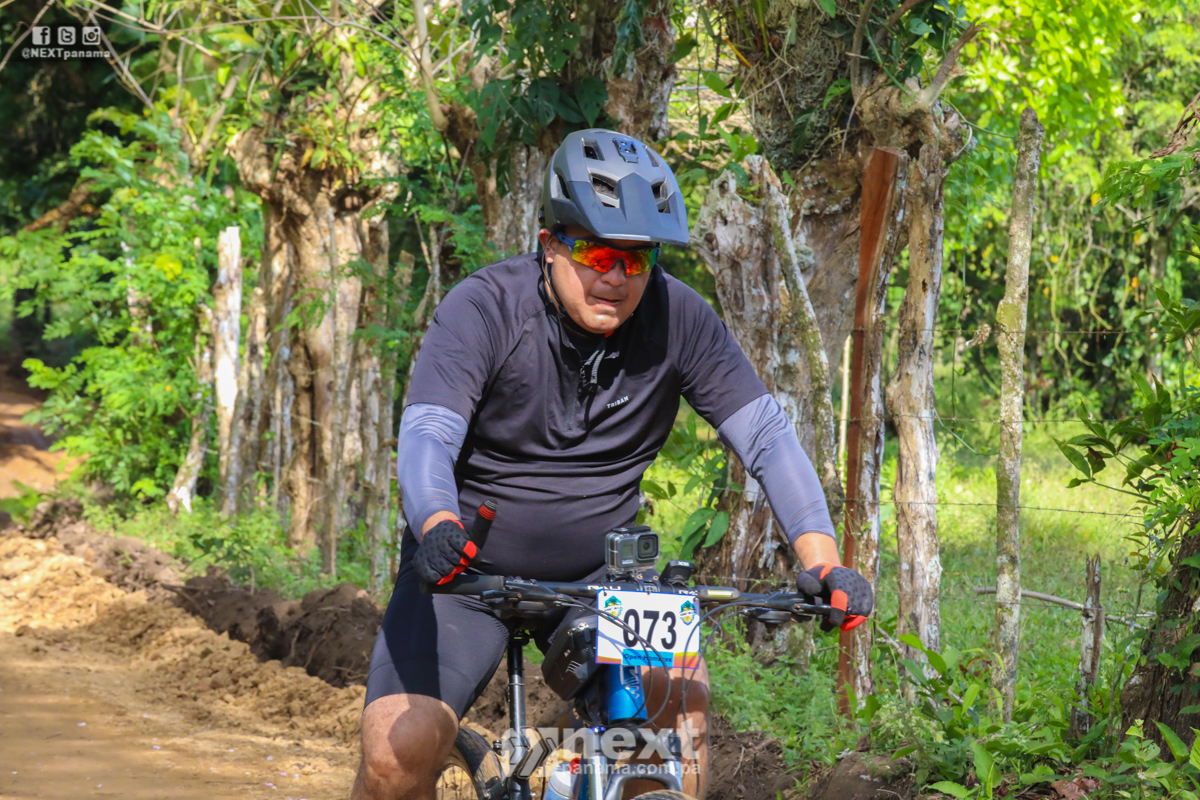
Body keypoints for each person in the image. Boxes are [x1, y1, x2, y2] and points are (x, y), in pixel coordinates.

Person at [351, 128, 874, 800]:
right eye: (597, 254)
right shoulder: (484, 308)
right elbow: (428, 432)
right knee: (397, 755)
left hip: (606, 578)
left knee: (676, 719)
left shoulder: (680, 318)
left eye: (636, 259)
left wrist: (823, 562)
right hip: (465, 571)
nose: (616, 278)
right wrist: (437, 524)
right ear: (549, 244)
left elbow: (768, 438)